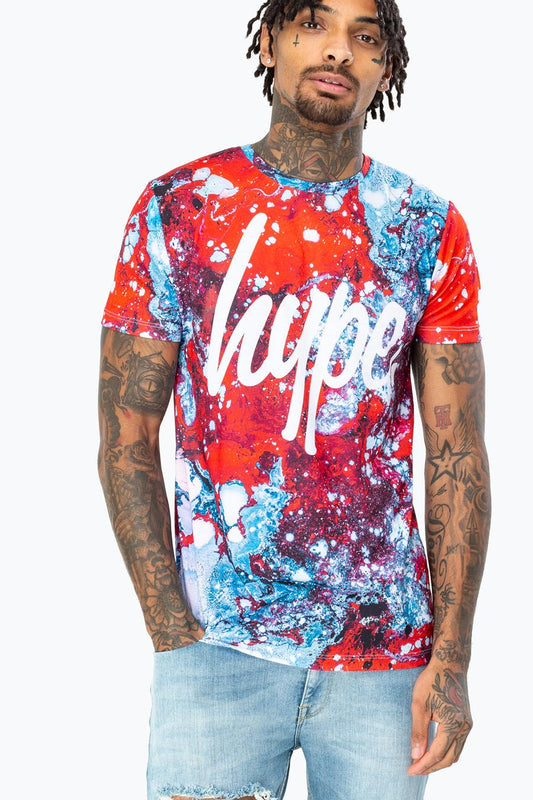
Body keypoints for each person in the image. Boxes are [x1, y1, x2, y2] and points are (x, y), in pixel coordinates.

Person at [98, 1, 490, 798]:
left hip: (384, 658)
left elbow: (455, 451)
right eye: (312, 24)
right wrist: (169, 624)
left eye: (365, 37)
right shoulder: (182, 205)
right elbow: (126, 431)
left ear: (385, 67)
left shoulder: (424, 227)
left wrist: (450, 658)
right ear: (269, 42)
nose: (338, 51)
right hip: (216, 652)